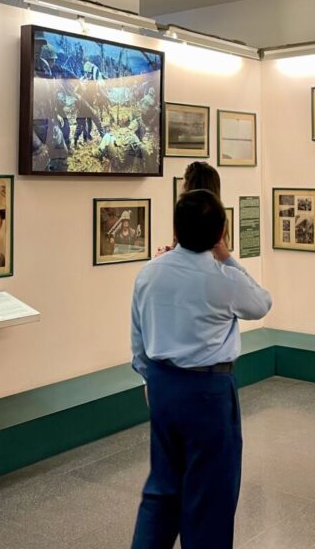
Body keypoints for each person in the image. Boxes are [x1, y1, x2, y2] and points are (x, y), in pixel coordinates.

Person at [130, 189, 272, 548]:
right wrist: (229, 258)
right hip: (208, 391)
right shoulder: (222, 278)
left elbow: (138, 335)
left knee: (162, 489)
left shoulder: (149, 273)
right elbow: (261, 304)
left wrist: (148, 377)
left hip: (162, 385)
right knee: (209, 494)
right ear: (221, 231)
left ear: (175, 228)